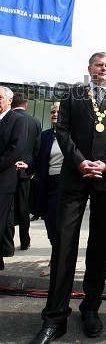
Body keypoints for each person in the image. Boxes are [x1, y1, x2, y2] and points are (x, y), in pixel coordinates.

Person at [28, 52, 106, 344]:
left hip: (105, 179)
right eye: (99, 65)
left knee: (100, 245)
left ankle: (90, 309)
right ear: (89, 68)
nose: (104, 69)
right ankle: (55, 317)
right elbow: (63, 130)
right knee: (64, 243)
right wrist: (78, 161)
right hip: (74, 177)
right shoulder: (73, 93)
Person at [16, 102, 63, 276]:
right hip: (46, 184)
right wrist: (27, 166)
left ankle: (57, 263)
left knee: (58, 224)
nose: (54, 114)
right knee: (50, 224)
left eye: (58, 111)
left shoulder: (72, 136)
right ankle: (56, 257)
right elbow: (38, 159)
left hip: (64, 186)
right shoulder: (46, 135)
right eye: (52, 111)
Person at [2, 92, 41, 256]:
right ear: (26, 105)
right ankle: (24, 241)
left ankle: (7, 245)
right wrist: (33, 168)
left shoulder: (10, 119)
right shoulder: (35, 121)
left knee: (6, 209)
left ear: (12, 102)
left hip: (5, 171)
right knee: (23, 207)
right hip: (25, 171)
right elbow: (38, 147)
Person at [0, 87, 28, 271]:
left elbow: (15, 149)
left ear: (9, 100)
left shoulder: (18, 120)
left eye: (0, 97)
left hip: (3, 180)